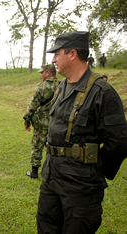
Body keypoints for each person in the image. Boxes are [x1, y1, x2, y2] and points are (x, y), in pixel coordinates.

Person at [37, 31, 127, 233]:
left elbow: (119, 142)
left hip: (81, 186)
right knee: (46, 227)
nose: (53, 60)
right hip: (51, 178)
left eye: (57, 54)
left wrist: (94, 169)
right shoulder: (61, 87)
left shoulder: (102, 91)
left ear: (72, 54)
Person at [23, 64, 58, 178]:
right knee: (55, 147)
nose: (40, 75)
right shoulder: (63, 85)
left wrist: (26, 120)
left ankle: (34, 171)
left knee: (38, 145)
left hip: (42, 121)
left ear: (48, 73)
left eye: (42, 73)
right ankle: (53, 172)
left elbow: (32, 106)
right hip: (58, 122)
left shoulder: (42, 87)